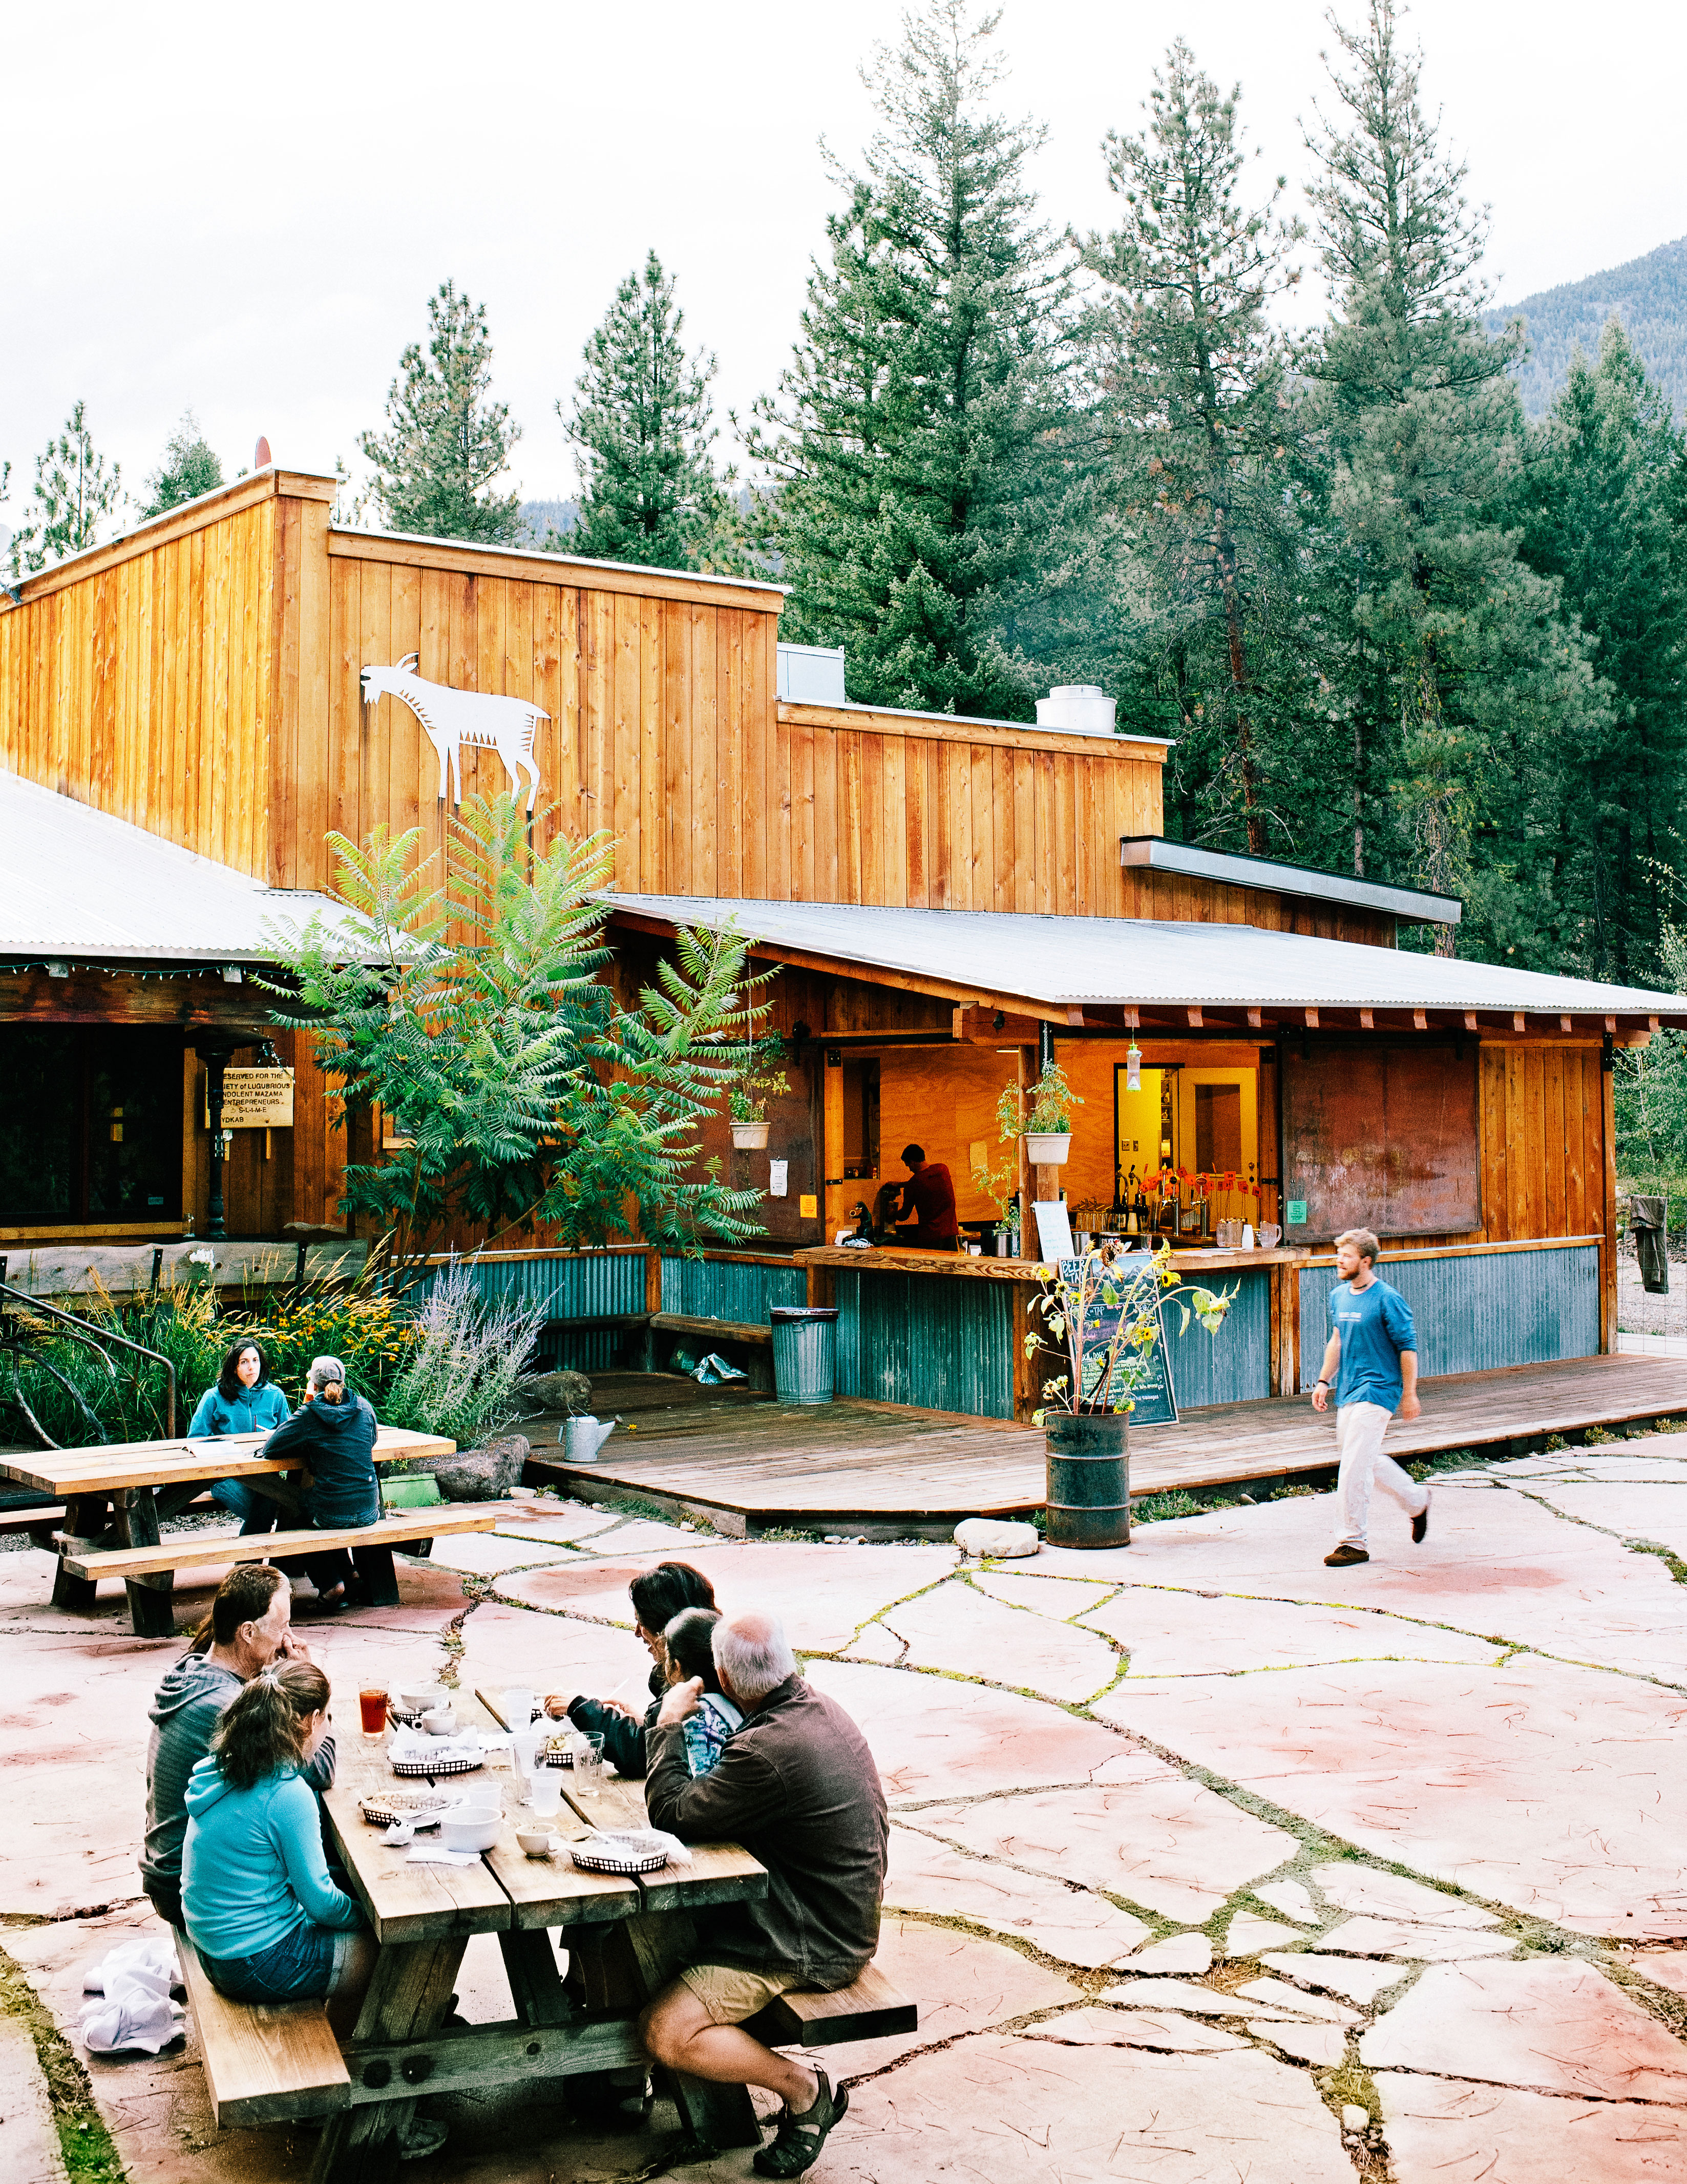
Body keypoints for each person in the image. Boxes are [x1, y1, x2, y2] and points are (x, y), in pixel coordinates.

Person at [641, 1611, 887, 2179]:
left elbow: (672, 1813)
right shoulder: (817, 1708)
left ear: (724, 1677)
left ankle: (805, 2091)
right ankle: (617, 2079)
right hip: (830, 1909)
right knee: (622, 1935)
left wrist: (668, 1724)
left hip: (810, 1939)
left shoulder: (767, 1749)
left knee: (665, 2030)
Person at [140, 1564, 330, 1929]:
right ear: (247, 1632)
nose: (289, 1638)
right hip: (188, 1889)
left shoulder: (195, 1670)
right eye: (282, 1627)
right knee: (338, 1870)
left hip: (177, 1872)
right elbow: (319, 1770)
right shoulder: (227, 1705)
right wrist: (313, 1695)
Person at [1311, 1227, 1429, 1568]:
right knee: (1364, 1459)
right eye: (1339, 1255)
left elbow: (1408, 1348)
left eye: (1346, 1256)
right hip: (1349, 1390)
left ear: (1365, 1261)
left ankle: (1353, 1543)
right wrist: (1323, 1381)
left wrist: (1410, 1394)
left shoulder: (1387, 1299)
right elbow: (1337, 1341)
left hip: (1379, 1390)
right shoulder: (1339, 1296)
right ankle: (1417, 1500)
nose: (1339, 1261)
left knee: (1352, 1467)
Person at [544, 1562, 717, 1778]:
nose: (637, 1632)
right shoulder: (705, 1661)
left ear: (668, 1627)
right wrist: (647, 1723)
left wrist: (578, 1707)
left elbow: (641, 1754)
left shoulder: (695, 1679)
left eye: (641, 1622)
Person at [260, 1355, 381, 1607]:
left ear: (313, 1385)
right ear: (343, 1381)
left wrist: (307, 1405)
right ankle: (350, 1574)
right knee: (327, 1505)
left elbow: (271, 1449)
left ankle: (331, 1585)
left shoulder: (310, 1414)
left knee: (295, 1518)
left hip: (333, 1513)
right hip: (370, 1510)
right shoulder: (364, 1406)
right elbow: (372, 1441)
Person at [191, 1337, 292, 1540]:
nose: (251, 1367)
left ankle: (249, 1559)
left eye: (255, 1360)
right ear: (234, 1367)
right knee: (265, 1512)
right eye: (244, 1362)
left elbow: (289, 1437)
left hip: (265, 1474)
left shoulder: (275, 1396)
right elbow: (196, 1439)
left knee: (276, 1504)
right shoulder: (214, 1397)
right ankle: (253, 1559)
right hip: (225, 1476)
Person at [662, 1607, 742, 1777]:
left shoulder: (697, 1717)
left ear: (678, 1666)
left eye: (667, 1655)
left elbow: (699, 1788)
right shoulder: (739, 1698)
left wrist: (665, 1723)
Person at [889, 1144, 958, 1250]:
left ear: (912, 1162)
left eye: (908, 1166)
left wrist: (893, 1213)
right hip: (952, 1234)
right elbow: (927, 1182)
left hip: (930, 1238)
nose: (910, 1170)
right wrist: (902, 1184)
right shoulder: (942, 1170)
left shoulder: (913, 1184)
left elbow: (904, 1216)